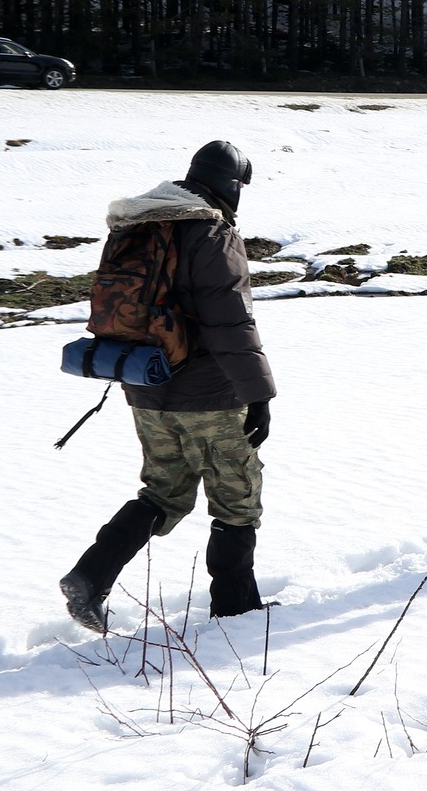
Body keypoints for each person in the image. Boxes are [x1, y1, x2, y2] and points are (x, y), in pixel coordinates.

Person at [60, 141, 276, 634]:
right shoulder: (210, 232)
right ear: (230, 186)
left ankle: (90, 576)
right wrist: (259, 393)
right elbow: (230, 320)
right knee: (237, 497)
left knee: (164, 490)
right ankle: (235, 613)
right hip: (210, 394)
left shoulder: (139, 223)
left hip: (145, 383)